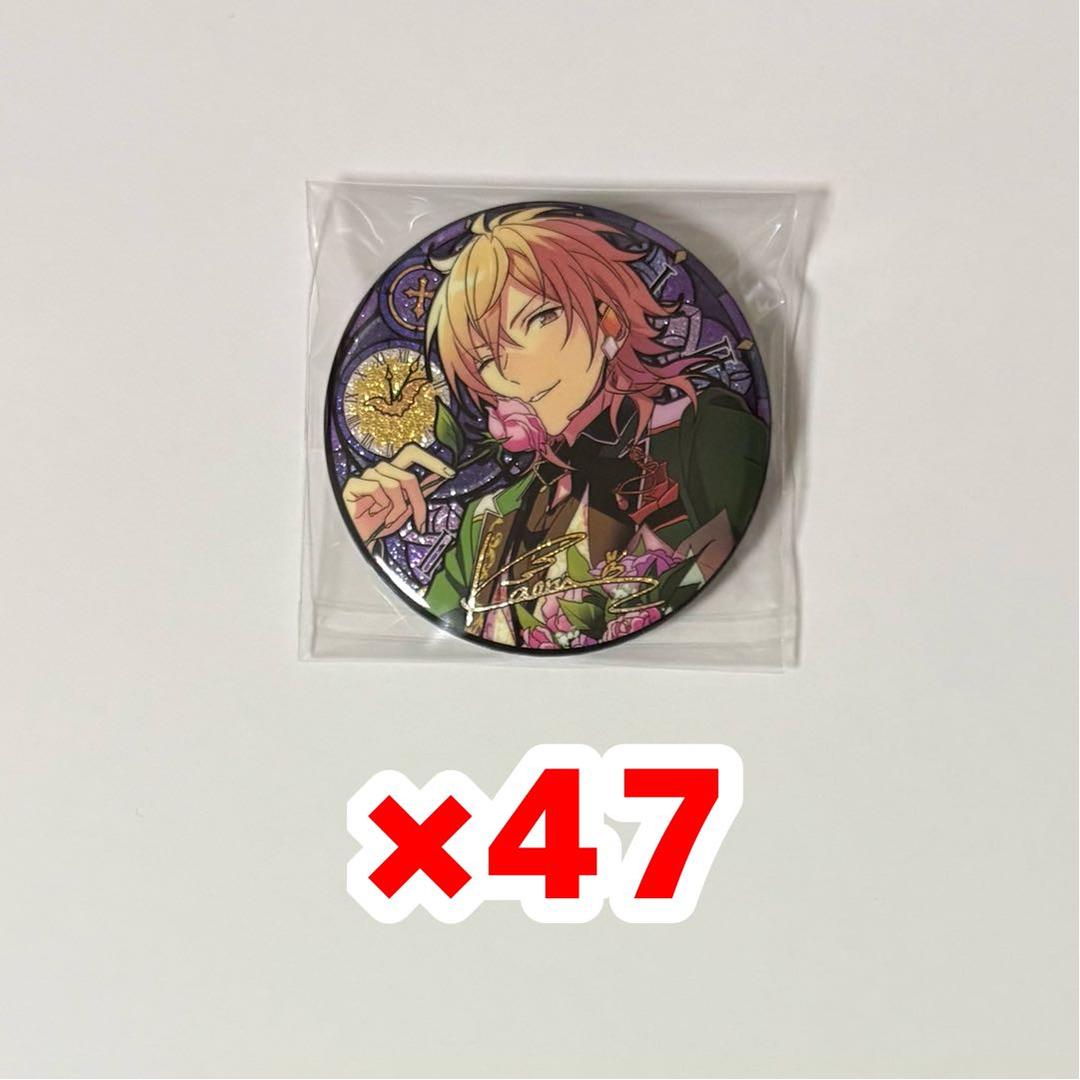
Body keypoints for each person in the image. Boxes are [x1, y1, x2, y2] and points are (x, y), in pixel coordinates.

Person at [343, 206, 768, 649]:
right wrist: (364, 533)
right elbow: (431, 630)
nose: (511, 369)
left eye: (538, 318)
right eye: (485, 358)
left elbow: (724, 580)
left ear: (608, 321)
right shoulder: (488, 519)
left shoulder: (702, 432)